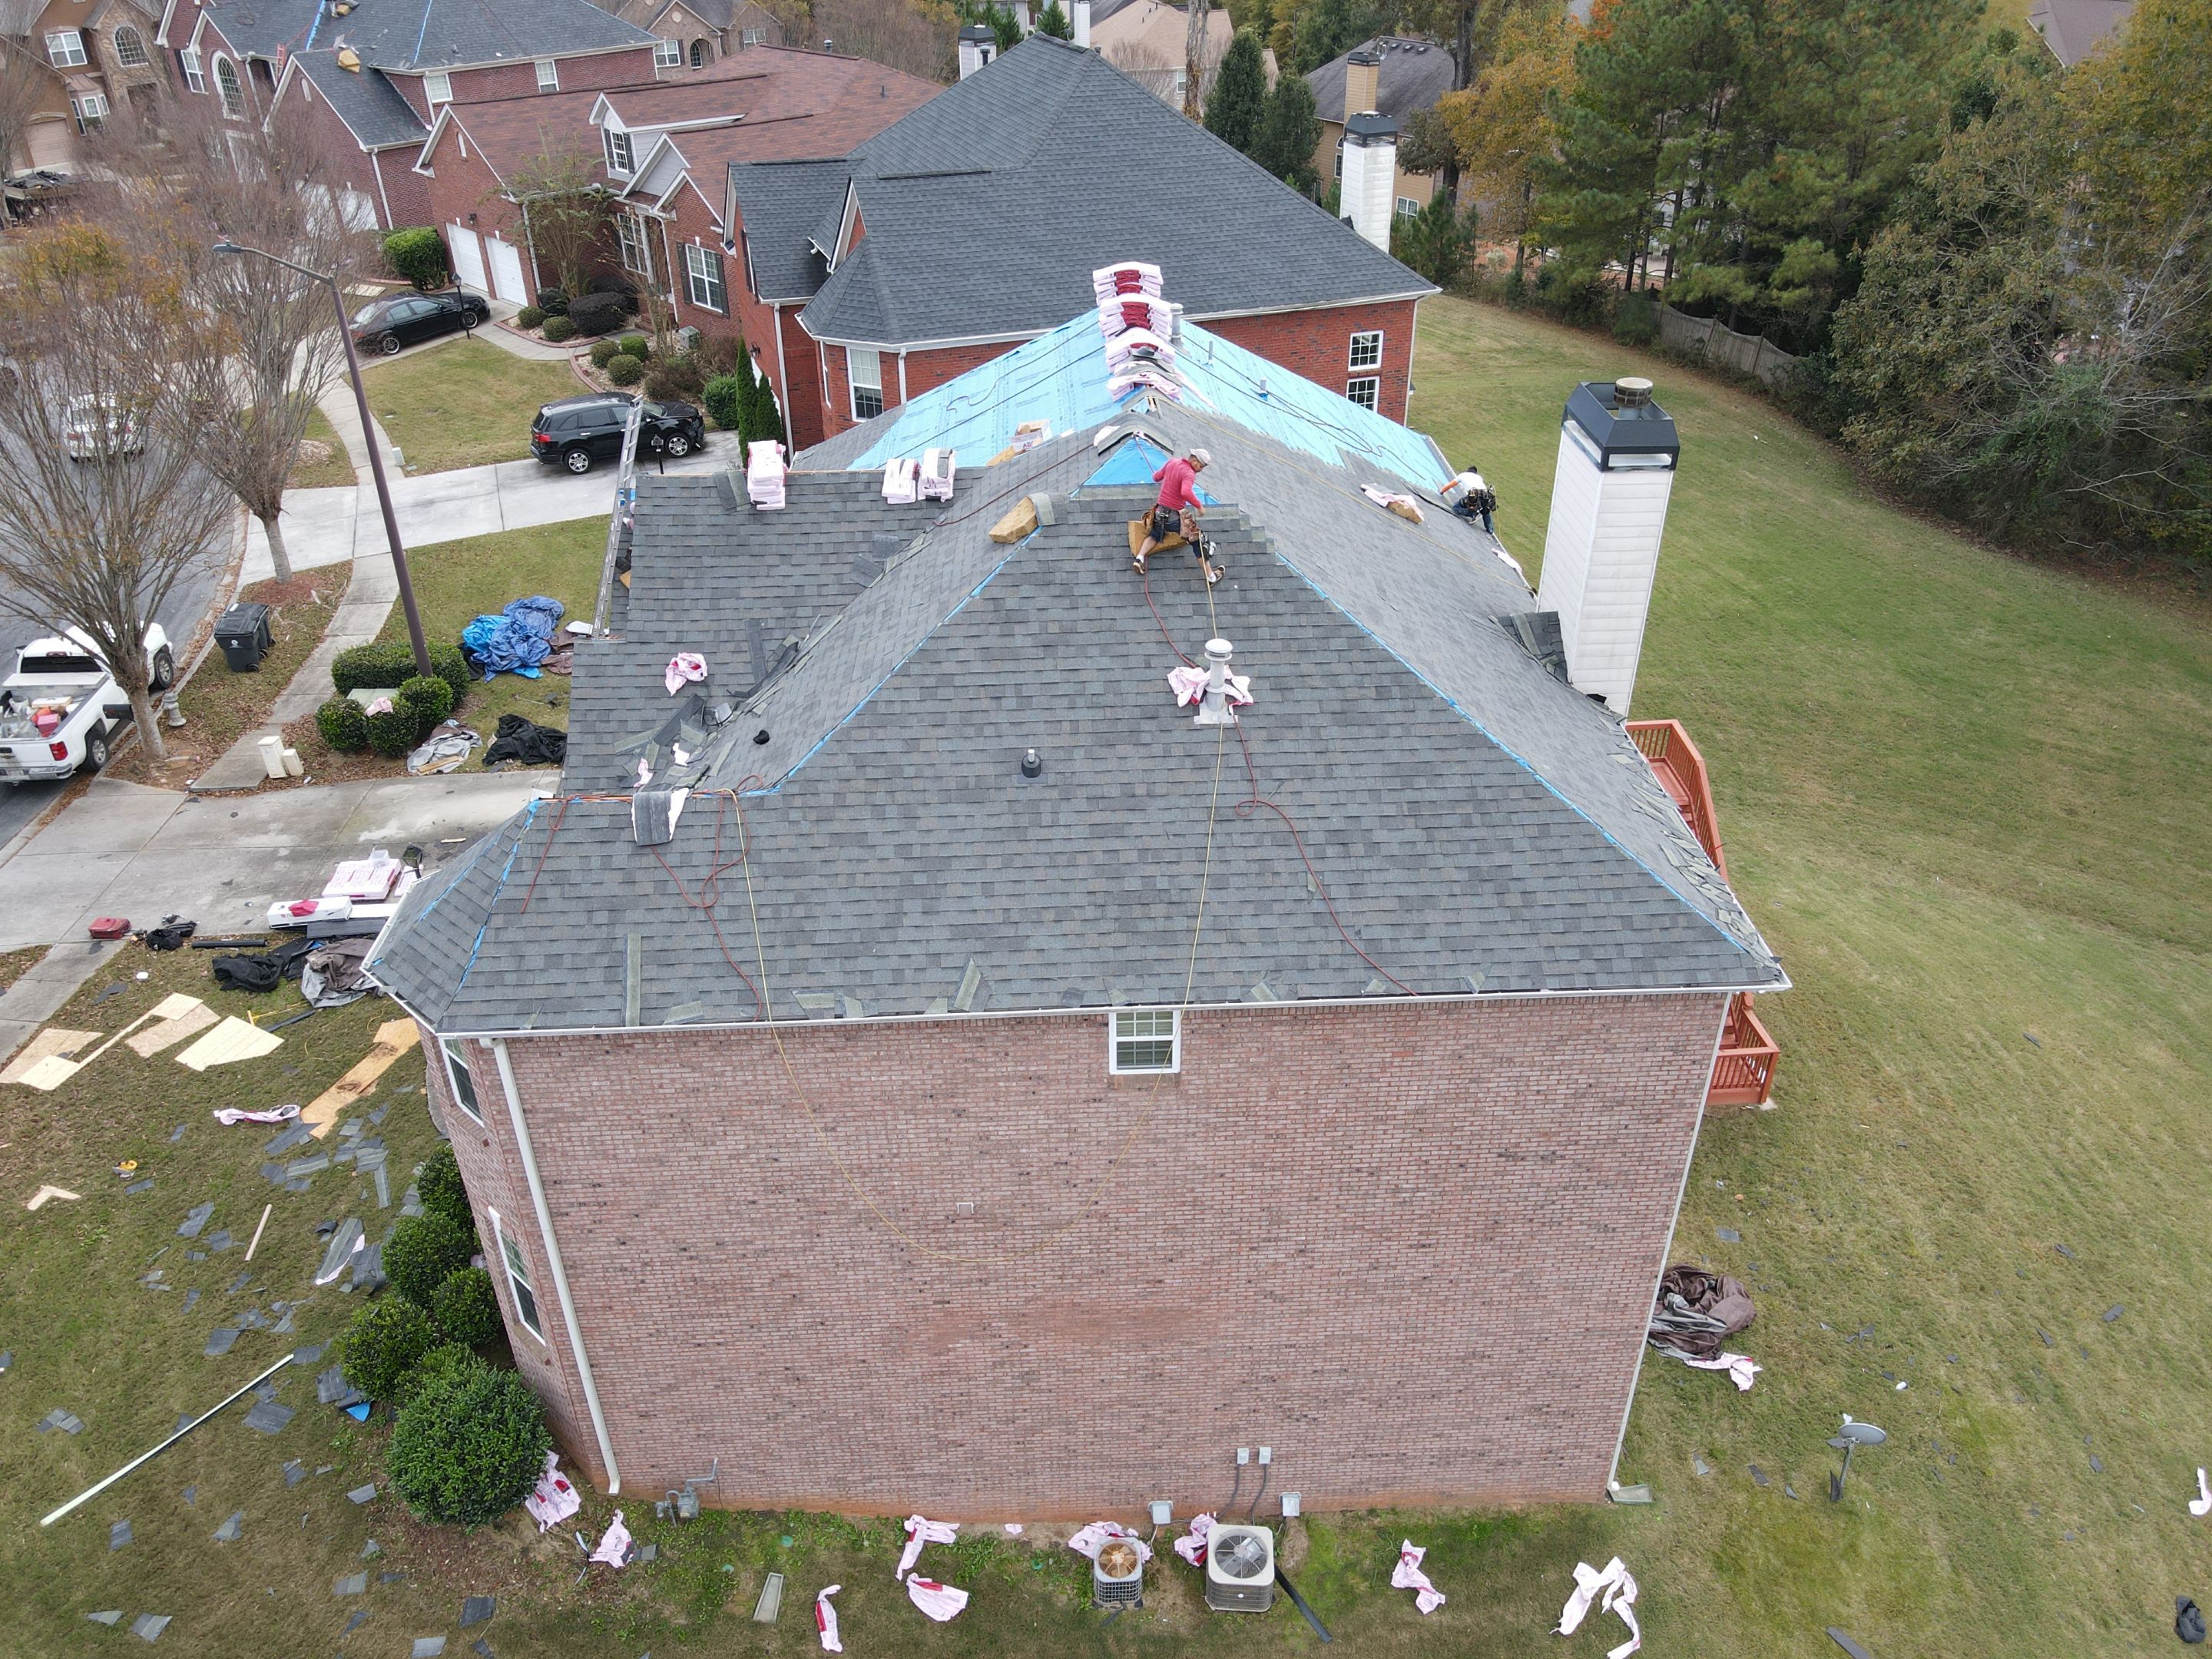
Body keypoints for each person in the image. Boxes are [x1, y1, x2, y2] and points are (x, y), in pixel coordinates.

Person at [1134, 448, 1221, 584]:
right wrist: (1199, 506)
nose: (1201, 470)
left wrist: (1163, 475)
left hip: (1159, 513)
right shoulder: (1189, 473)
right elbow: (1185, 492)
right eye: (1201, 466)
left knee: (1155, 535)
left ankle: (1139, 558)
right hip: (1173, 518)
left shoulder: (1172, 462)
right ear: (1194, 461)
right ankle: (1211, 577)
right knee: (1198, 541)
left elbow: (1156, 477)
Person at [1450, 468, 1497, 536]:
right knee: (1485, 511)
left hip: (1474, 496)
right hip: (1485, 496)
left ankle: (1471, 513)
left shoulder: (1463, 475)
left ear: (1468, 472)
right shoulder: (1479, 477)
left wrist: (1442, 492)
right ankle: (1490, 529)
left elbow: (1450, 485)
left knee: (1455, 508)